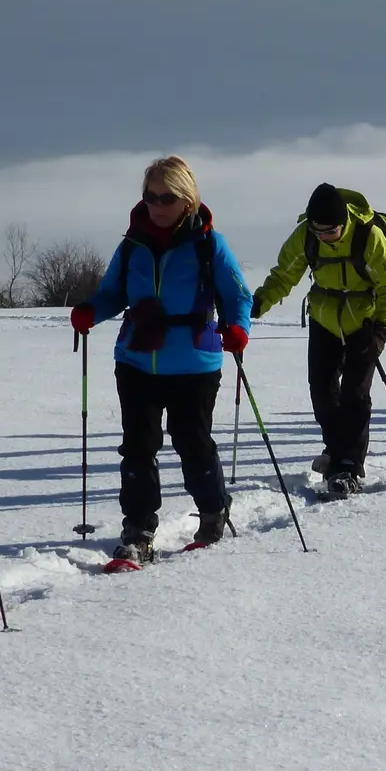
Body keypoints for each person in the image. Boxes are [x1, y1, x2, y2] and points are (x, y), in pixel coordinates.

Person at [71, 157, 253, 566]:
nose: (156, 204)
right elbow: (112, 293)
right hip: (137, 359)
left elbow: (238, 295)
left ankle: (212, 513)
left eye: (166, 197)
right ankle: (137, 530)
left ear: (186, 200)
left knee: (193, 442)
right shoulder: (132, 244)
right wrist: (89, 311)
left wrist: (239, 328)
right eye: (150, 196)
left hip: (194, 362)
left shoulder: (209, 244)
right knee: (138, 446)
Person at [251, 184, 386, 494]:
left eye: (329, 231)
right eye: (318, 231)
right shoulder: (306, 235)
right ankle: (335, 451)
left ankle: (350, 464)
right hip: (323, 319)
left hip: (363, 322)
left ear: (343, 222)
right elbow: (284, 275)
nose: (323, 237)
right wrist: (257, 304)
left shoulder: (367, 236)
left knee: (355, 394)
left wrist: (381, 333)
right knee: (322, 390)